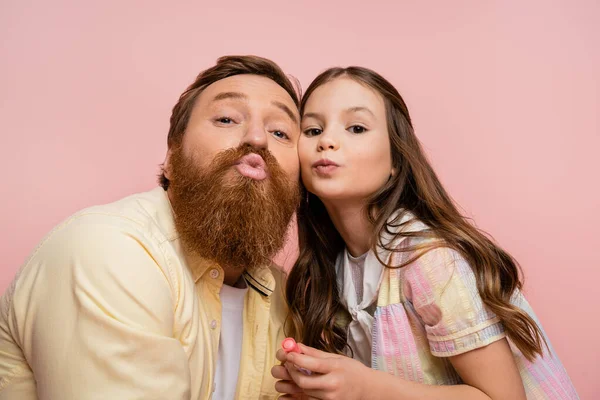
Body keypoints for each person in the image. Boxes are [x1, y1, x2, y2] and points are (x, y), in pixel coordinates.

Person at [0, 55, 302, 399]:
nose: (258, 138)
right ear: (172, 158)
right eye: (226, 118)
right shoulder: (108, 249)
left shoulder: (281, 293)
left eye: (280, 131)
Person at [273, 66, 578, 399]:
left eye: (356, 127)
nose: (327, 142)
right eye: (313, 130)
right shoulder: (330, 270)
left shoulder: (429, 261)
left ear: (395, 161)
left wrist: (364, 388)